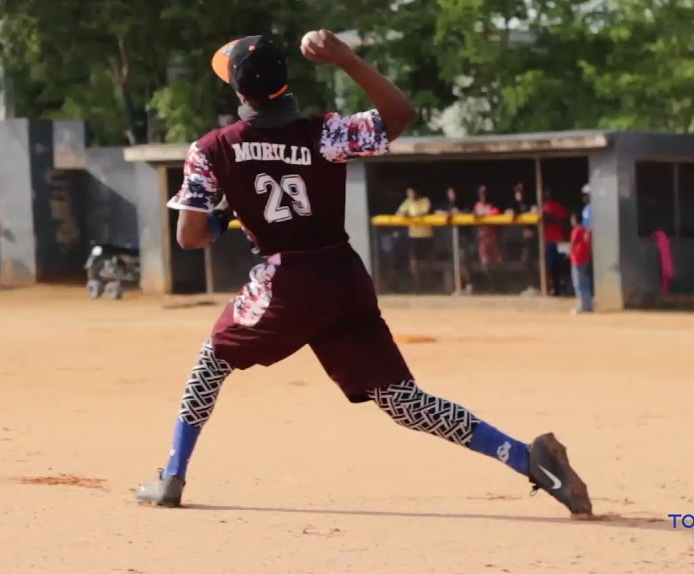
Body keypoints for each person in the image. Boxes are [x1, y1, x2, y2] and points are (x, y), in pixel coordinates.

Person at [134, 31, 591, 516]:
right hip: (342, 277)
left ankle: (172, 477)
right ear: (285, 84)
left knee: (211, 364)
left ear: (240, 93)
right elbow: (399, 116)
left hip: (286, 282)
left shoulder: (213, 149)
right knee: (402, 400)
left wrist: (226, 213)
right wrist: (346, 59)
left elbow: (190, 237)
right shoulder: (324, 134)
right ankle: (527, 458)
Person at [394, 187, 433, 289]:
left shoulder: (425, 200)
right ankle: (418, 285)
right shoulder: (408, 202)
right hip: (413, 236)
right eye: (408, 193)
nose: (410, 194)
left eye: (411, 192)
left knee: (427, 261)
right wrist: (402, 213)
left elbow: (423, 212)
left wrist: (408, 214)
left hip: (426, 235)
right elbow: (398, 213)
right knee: (413, 261)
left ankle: (429, 284)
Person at [541, 191, 570, 295]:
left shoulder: (556, 206)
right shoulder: (542, 207)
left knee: (559, 265)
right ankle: (555, 288)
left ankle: (561, 289)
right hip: (551, 241)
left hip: (557, 241)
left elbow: (565, 221)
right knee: (552, 266)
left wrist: (550, 219)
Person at [570, 213, 593, 313]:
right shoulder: (585, 230)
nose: (571, 221)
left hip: (577, 259)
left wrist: (569, 252)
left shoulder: (576, 230)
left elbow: (573, 243)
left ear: (575, 220)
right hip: (585, 258)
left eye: (572, 219)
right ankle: (588, 306)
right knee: (586, 283)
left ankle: (581, 306)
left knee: (578, 283)